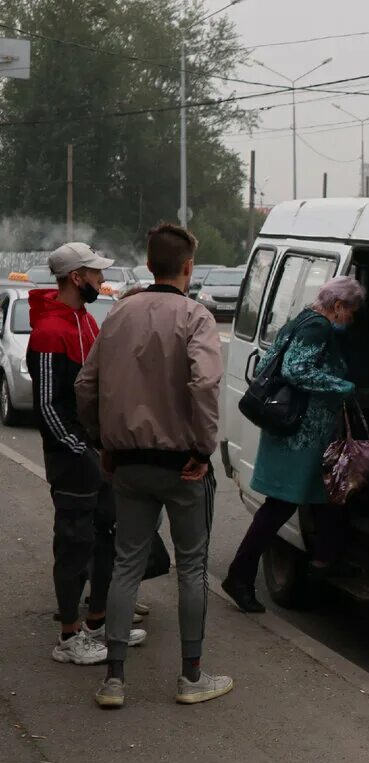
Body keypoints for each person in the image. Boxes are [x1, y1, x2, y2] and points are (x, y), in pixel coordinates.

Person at [75, 223, 225, 709]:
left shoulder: (119, 314)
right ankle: (191, 676)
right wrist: (203, 450)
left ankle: (114, 678)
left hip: (129, 463)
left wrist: (102, 439)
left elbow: (86, 385)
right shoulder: (196, 317)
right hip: (183, 463)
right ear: (188, 267)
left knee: (125, 563)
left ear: (148, 260)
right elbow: (204, 385)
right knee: (192, 568)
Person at [28, 243, 146, 666]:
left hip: (98, 455)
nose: (102, 279)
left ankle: (98, 624)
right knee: (74, 543)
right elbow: (47, 405)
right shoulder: (47, 332)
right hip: (74, 460)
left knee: (104, 537)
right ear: (76, 277)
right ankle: (68, 637)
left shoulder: (85, 321)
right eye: (95, 273)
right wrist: (81, 450)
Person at [221, 276, 363, 614]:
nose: (351, 320)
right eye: (351, 313)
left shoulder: (302, 317)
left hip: (299, 434)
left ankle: (324, 561)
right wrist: (341, 385)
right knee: (279, 508)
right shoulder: (317, 326)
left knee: (329, 498)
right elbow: (296, 370)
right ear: (339, 306)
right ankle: (239, 576)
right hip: (300, 437)